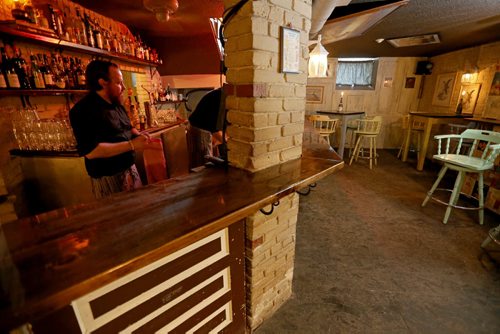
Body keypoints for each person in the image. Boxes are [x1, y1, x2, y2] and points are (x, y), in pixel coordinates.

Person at [69, 60, 149, 198]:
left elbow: (127, 128)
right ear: (102, 82)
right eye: (118, 83)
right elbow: (92, 151)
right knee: (119, 219)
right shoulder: (83, 110)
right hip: (108, 178)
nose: (123, 87)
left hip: (129, 169)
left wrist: (138, 135)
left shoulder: (116, 104)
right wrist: (132, 145)